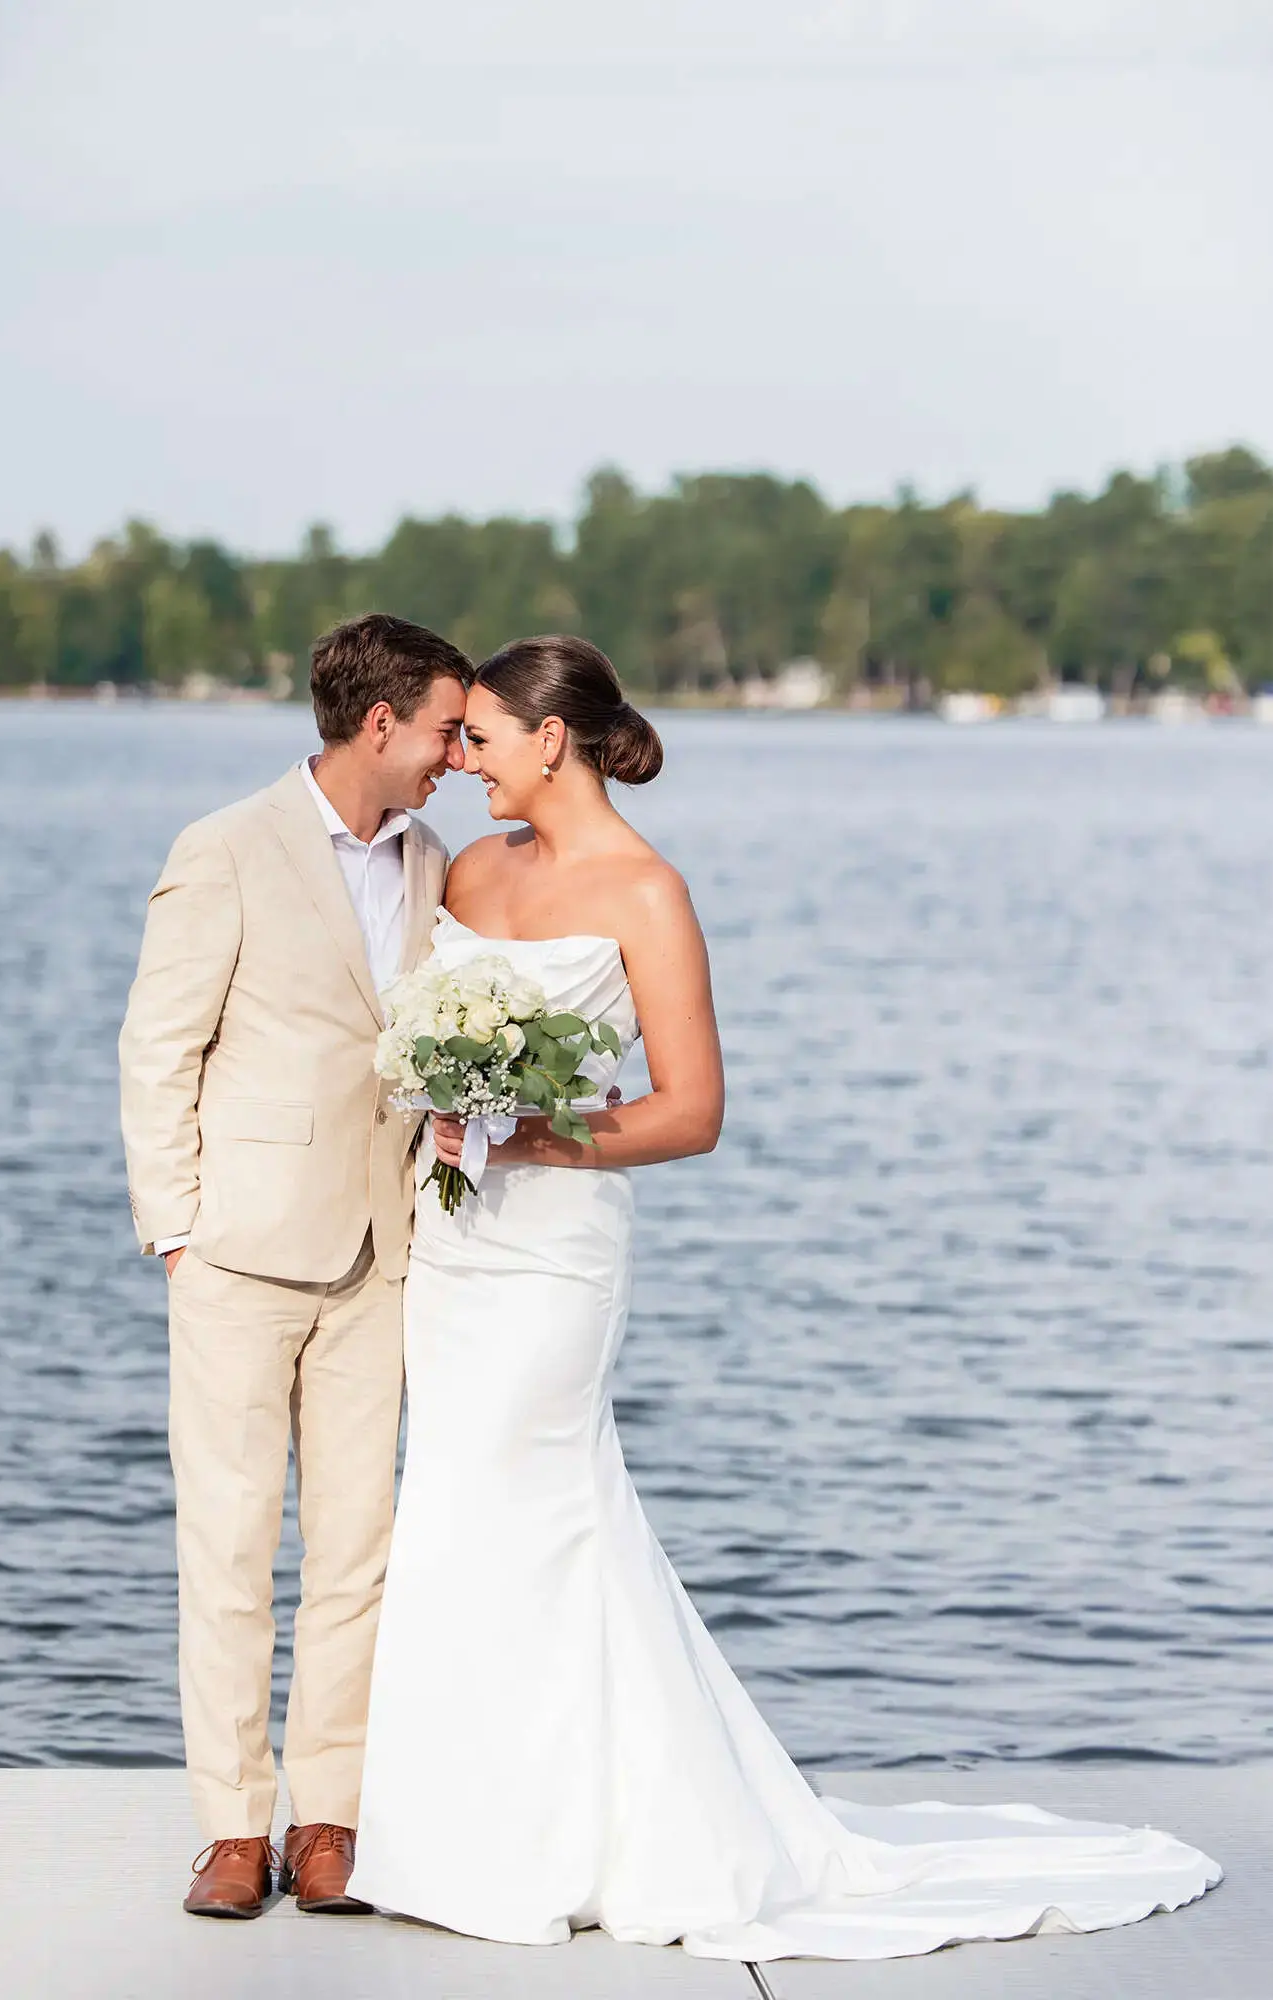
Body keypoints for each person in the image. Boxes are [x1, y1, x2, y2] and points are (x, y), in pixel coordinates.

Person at [349, 633, 1220, 1962]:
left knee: (538, 1498)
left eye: (477, 738)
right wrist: (441, 1091)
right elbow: (424, 1036)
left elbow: (691, 1111)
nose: (458, 761)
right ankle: (466, 1830)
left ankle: (591, 1835)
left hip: (558, 1247)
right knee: (453, 1503)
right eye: (454, 738)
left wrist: (543, 1133)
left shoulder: (646, 891)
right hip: (458, 1242)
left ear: (550, 738)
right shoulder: (470, 871)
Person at [118, 613, 470, 1918]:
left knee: (357, 1549)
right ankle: (229, 1828)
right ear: (378, 725)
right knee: (223, 1543)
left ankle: (328, 1817)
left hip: (384, 1252)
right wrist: (178, 1230)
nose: (452, 753)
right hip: (238, 1258)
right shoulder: (225, 849)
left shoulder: (436, 857)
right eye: (441, 729)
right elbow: (157, 1047)